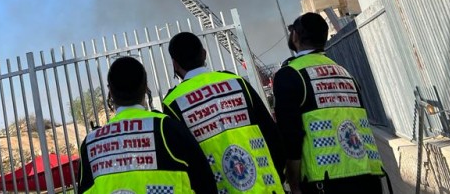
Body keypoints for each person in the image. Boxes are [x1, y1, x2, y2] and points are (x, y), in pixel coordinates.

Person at [273, 12, 385, 194]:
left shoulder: (290, 74)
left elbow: (290, 135)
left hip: (325, 182)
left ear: (295, 36)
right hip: (368, 176)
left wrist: (293, 182)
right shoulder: (344, 73)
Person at [162, 32, 285, 194]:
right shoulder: (236, 82)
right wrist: (278, 176)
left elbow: (185, 163)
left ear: (175, 64)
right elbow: (271, 132)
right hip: (266, 187)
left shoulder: (173, 103)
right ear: (204, 53)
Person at [77, 56, 217, 194]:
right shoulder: (167, 128)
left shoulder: (90, 144)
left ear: (110, 91)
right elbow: (206, 183)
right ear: (145, 87)